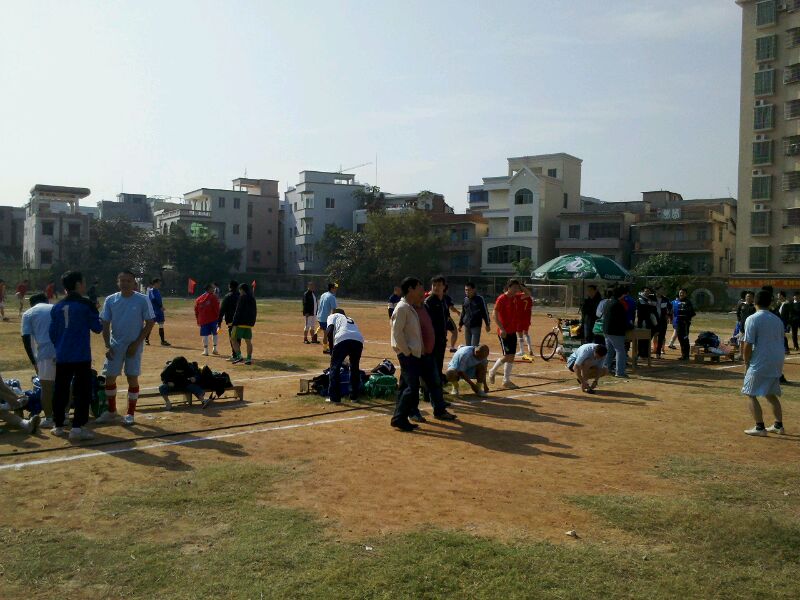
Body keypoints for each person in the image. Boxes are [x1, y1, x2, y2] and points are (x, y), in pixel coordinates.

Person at [390, 277, 455, 432]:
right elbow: (396, 333)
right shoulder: (402, 308)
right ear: (410, 289)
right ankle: (401, 418)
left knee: (408, 387)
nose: (422, 290)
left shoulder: (410, 307)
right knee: (411, 387)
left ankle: (399, 418)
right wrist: (407, 352)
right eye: (419, 287)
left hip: (419, 353)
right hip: (410, 355)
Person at [94, 270, 155, 427]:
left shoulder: (142, 299)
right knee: (109, 377)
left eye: (128, 281)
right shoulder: (111, 300)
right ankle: (111, 411)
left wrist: (136, 343)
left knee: (132, 377)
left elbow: (150, 322)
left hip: (134, 344)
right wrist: (107, 345)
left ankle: (130, 413)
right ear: (118, 282)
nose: (125, 283)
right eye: (122, 280)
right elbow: (105, 323)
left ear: (134, 283)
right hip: (115, 345)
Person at [48, 271, 103, 440]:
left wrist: (60, 346)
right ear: (78, 284)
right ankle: (77, 427)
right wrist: (98, 314)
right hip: (81, 355)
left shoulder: (57, 306)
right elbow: (97, 328)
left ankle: (58, 425)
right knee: (82, 391)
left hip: (63, 355)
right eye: (83, 282)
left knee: (60, 389)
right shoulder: (86, 304)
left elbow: (52, 333)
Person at [741, 290, 786, 436]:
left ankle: (760, 427)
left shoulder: (752, 319)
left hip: (761, 360)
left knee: (749, 393)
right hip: (777, 359)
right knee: (770, 393)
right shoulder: (777, 320)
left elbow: (748, 343)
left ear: (755, 302)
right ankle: (778, 425)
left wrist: (746, 361)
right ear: (770, 303)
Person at [21, 293, 56, 427]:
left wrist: (34, 361)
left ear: (31, 304)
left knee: (46, 387)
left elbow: (26, 338)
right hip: (64, 351)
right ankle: (64, 416)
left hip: (45, 352)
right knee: (65, 384)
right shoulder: (56, 308)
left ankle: (49, 418)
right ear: (47, 300)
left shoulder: (29, 313)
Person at [488, 279, 531, 388]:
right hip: (504, 332)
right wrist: (501, 328)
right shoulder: (502, 298)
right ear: (509, 287)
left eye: (517, 288)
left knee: (511, 356)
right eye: (514, 287)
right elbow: (494, 314)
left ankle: (506, 381)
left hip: (513, 331)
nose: (516, 289)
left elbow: (528, 294)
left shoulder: (517, 297)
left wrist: (521, 286)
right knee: (507, 356)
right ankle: (492, 371)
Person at [325, 309, 364, 403]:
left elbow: (329, 331)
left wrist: (331, 349)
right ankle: (354, 396)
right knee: (354, 367)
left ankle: (334, 397)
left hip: (342, 338)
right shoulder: (350, 319)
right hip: (358, 340)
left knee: (335, 367)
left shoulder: (333, 316)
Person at [423, 275, 450, 405]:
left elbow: (446, 319)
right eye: (434, 285)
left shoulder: (443, 300)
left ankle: (436, 395)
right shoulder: (429, 302)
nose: (436, 287)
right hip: (432, 341)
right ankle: (428, 394)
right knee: (431, 369)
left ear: (444, 287)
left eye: (439, 285)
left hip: (441, 340)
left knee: (438, 368)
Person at [602, 286, 630, 378]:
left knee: (609, 351)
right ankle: (620, 372)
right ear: (622, 294)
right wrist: (629, 326)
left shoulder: (608, 302)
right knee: (620, 351)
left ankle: (605, 369)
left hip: (606, 330)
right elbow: (621, 320)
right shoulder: (618, 304)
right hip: (615, 331)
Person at [231, 283, 257, 365]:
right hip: (249, 324)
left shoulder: (242, 297)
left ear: (242, 290)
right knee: (248, 341)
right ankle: (249, 358)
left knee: (233, 339)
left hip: (240, 323)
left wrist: (234, 323)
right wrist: (252, 322)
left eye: (240, 290)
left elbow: (238, 311)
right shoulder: (252, 298)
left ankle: (239, 356)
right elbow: (255, 311)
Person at [459, 281, 491, 346]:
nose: (467, 291)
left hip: (476, 326)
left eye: (469, 290)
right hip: (467, 326)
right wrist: (460, 324)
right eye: (466, 290)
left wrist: (487, 324)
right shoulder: (465, 299)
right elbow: (463, 313)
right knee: (468, 346)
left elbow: (485, 312)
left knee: (474, 346)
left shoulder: (480, 299)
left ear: (474, 290)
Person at [195, 284, 220, 356]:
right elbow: (217, 308)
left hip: (203, 319)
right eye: (212, 288)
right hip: (213, 319)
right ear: (209, 289)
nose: (214, 289)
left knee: (205, 335)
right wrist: (219, 317)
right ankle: (215, 349)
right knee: (215, 333)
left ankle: (205, 351)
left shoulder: (198, 299)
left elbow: (196, 310)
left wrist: (198, 319)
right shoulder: (213, 297)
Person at [218, 280, 240, 360]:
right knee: (238, 338)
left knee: (233, 338)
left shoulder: (227, 296)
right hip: (240, 320)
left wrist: (219, 322)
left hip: (231, 320)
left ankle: (235, 355)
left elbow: (222, 310)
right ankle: (237, 354)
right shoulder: (241, 296)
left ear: (230, 287)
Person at [672, 288, 696, 361]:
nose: (681, 294)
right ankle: (683, 355)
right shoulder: (676, 302)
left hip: (685, 324)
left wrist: (686, 320)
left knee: (685, 338)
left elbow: (692, 313)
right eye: (680, 292)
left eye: (683, 293)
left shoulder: (688, 302)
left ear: (686, 294)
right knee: (680, 338)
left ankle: (686, 355)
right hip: (678, 323)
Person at [145, 278, 171, 347]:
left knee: (161, 325)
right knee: (151, 325)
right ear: (155, 283)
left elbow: (159, 300)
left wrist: (161, 307)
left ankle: (162, 341)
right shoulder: (151, 291)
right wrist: (160, 307)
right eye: (159, 283)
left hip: (159, 311)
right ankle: (146, 339)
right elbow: (153, 300)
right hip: (154, 311)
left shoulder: (158, 291)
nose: (160, 284)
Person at [316, 283, 338, 354]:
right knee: (327, 334)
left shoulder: (324, 294)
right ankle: (325, 349)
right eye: (335, 288)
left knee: (324, 330)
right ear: (331, 288)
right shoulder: (332, 297)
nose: (336, 289)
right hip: (325, 318)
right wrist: (333, 319)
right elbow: (334, 309)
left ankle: (315, 334)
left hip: (319, 316)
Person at [636, 287, 657, 359]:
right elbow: (644, 309)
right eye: (646, 291)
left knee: (647, 337)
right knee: (642, 337)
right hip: (643, 321)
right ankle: (640, 354)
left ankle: (646, 354)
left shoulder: (649, 299)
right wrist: (650, 304)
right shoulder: (640, 299)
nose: (647, 292)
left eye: (648, 291)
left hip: (648, 321)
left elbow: (653, 306)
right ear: (642, 292)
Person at [515, 283, 534, 356]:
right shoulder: (529, 298)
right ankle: (530, 349)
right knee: (526, 333)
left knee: (520, 334)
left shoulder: (518, 296)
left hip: (519, 318)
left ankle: (522, 351)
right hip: (527, 318)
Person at [653, 289, 672, 358]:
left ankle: (659, 352)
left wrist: (668, 315)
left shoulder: (665, 299)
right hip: (653, 320)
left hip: (662, 321)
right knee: (652, 335)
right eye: (659, 290)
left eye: (662, 290)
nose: (661, 292)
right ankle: (647, 352)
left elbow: (670, 307)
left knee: (661, 336)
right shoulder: (652, 298)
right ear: (656, 291)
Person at [444, 284, 461, 352]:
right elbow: (451, 308)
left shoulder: (434, 297)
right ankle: (452, 347)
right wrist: (458, 312)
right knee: (454, 332)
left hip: (437, 319)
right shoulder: (447, 297)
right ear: (446, 290)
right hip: (446, 318)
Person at [778, 291, 792, 355]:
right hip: (780, 322)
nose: (778, 297)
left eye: (779, 296)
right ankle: (784, 349)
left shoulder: (787, 303)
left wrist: (789, 323)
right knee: (781, 336)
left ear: (782, 296)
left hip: (784, 322)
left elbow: (790, 314)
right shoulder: (781, 304)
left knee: (783, 336)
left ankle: (786, 349)